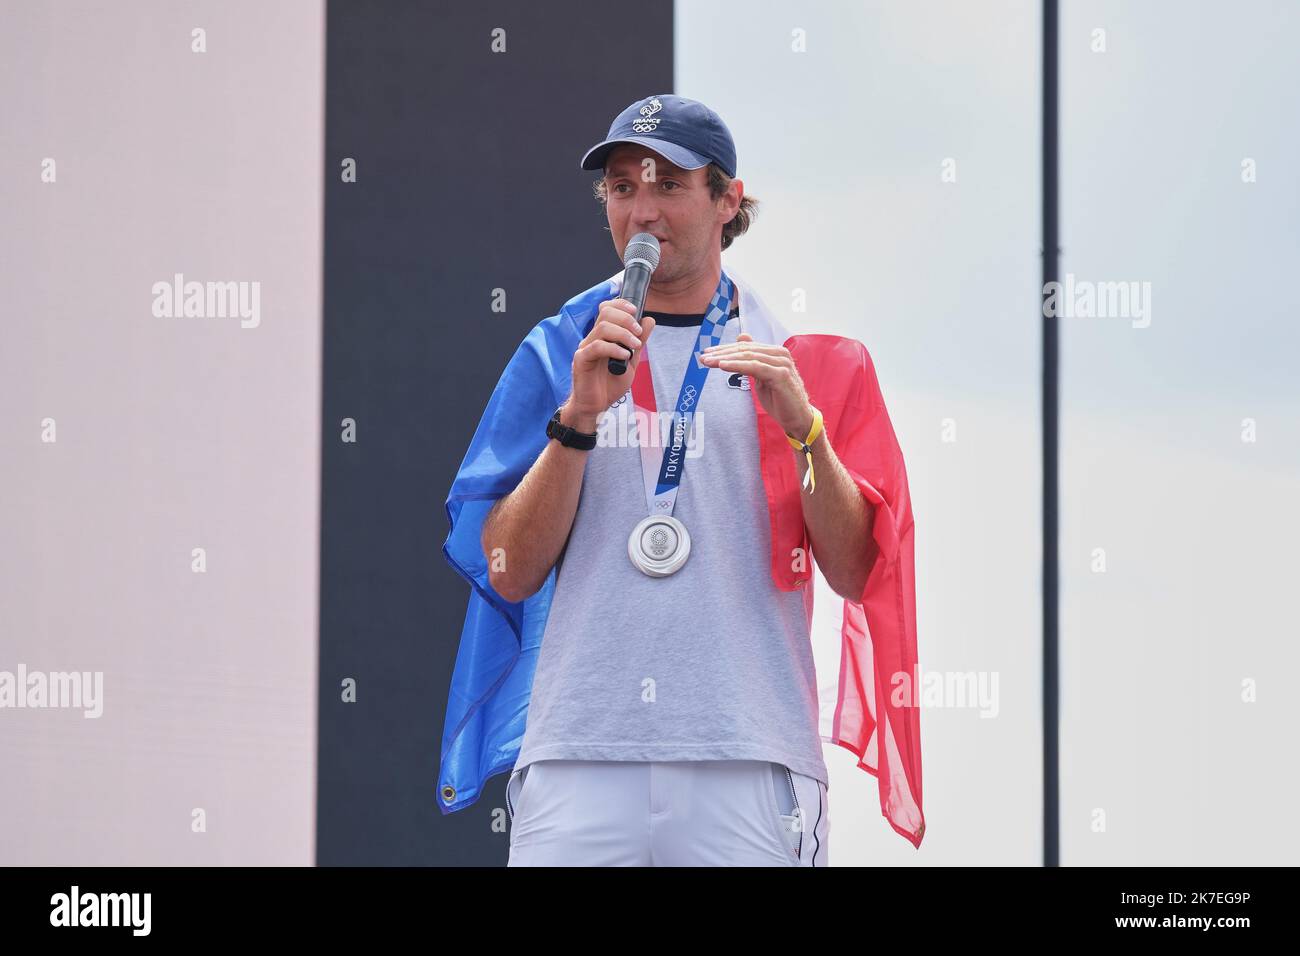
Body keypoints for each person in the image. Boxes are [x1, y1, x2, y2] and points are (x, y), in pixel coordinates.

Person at [439, 94, 924, 865]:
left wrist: (807, 434)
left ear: (729, 200)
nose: (643, 211)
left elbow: (860, 569)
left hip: (748, 757)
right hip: (576, 755)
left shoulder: (808, 361)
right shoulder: (559, 351)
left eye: (670, 185)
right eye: (623, 188)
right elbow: (508, 567)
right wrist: (577, 420)